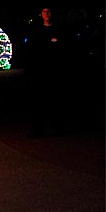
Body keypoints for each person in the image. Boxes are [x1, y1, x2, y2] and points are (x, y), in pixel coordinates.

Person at [23, 7, 65, 137]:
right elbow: (33, 46)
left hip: (54, 69)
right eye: (44, 12)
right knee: (38, 99)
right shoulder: (36, 30)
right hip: (40, 69)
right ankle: (37, 129)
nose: (46, 14)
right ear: (41, 14)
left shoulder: (58, 29)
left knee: (54, 98)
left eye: (48, 11)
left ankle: (56, 127)